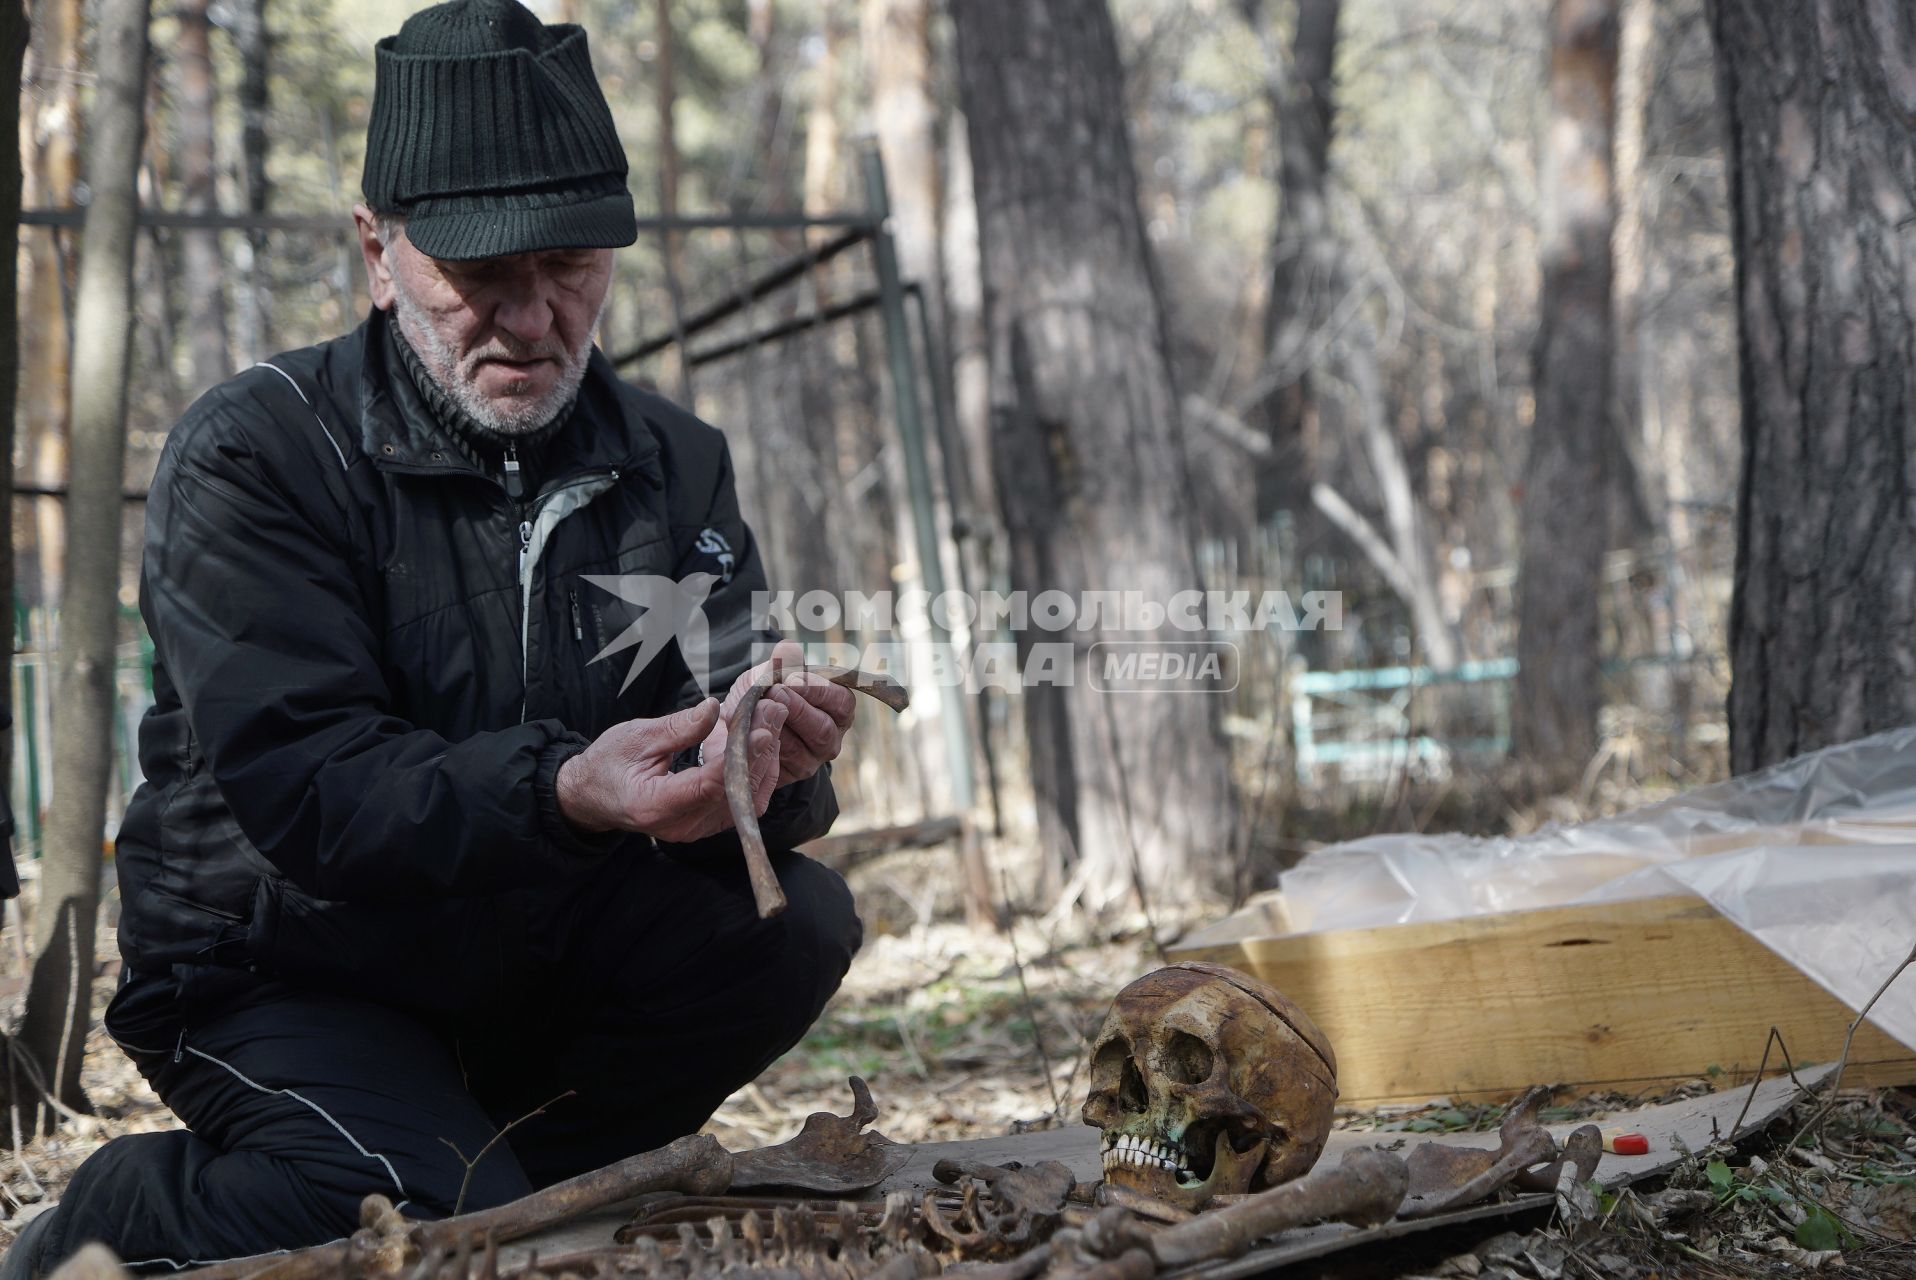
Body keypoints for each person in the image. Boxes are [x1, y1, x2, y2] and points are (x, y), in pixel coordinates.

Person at [3, 0, 862, 1272]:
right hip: (278, 962)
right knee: (421, 1218)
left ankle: (513, 1191)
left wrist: (773, 770)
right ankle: (124, 1212)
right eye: (480, 274)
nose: (530, 318)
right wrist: (569, 789)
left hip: (525, 950)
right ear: (375, 247)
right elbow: (311, 789)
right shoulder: (256, 453)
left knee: (793, 927)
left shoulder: (672, 460)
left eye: (568, 267)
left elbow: (728, 737)